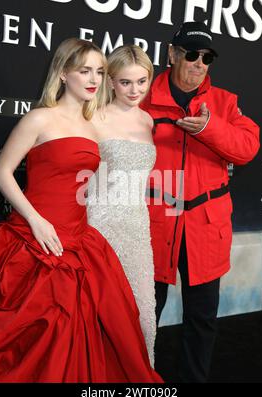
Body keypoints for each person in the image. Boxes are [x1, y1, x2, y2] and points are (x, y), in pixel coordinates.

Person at [0, 38, 162, 383]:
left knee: (91, 333)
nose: (93, 79)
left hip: (80, 239)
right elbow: (1, 172)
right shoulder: (39, 118)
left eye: (99, 71)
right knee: (32, 332)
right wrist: (35, 220)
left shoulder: (94, 124)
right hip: (33, 238)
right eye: (84, 71)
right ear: (64, 74)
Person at [140, 21, 260, 382]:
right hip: (153, 222)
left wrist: (210, 128)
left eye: (206, 58)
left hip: (205, 227)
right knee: (144, 316)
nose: (199, 63)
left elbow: (247, 149)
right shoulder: (141, 96)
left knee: (202, 319)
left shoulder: (224, 102)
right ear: (172, 54)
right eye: (191, 54)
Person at [87, 45, 157, 366]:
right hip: (99, 228)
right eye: (126, 82)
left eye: (142, 81)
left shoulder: (148, 121)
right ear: (111, 81)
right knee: (98, 316)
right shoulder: (92, 116)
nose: (135, 90)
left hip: (137, 228)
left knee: (143, 315)